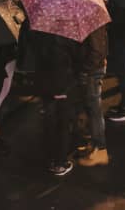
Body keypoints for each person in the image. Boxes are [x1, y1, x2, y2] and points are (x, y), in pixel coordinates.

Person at [33, 30, 82, 175]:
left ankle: (50, 158)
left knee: (50, 121)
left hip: (45, 84)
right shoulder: (69, 34)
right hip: (63, 84)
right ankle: (60, 162)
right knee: (63, 123)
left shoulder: (39, 33)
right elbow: (78, 58)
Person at [75, 26, 109, 167]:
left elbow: (96, 50)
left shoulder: (91, 23)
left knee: (95, 109)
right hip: (93, 68)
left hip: (92, 70)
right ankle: (94, 143)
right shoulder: (91, 19)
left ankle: (100, 148)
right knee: (91, 107)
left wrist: (85, 70)